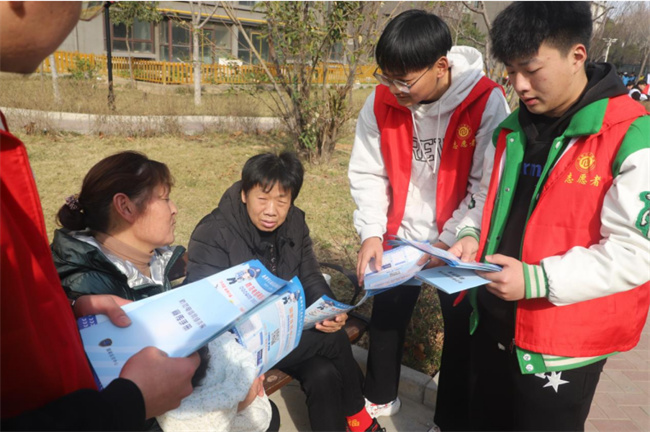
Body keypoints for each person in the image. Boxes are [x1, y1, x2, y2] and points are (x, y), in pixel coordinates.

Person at [449, 2, 649, 430]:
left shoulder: (631, 135)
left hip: (561, 348)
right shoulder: (513, 129)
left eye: (531, 69)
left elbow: (636, 253)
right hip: (492, 323)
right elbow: (486, 198)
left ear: (577, 55)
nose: (519, 85)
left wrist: (536, 280)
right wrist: (469, 234)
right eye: (510, 71)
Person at [0, 2, 200, 430]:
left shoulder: (160, 261)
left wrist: (69, 310)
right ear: (124, 207)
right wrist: (125, 405)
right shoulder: (91, 273)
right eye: (164, 198)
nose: (79, 12)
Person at [347, 9, 509, 430]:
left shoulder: (485, 101)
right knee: (387, 317)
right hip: (400, 235)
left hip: (457, 242)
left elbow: (486, 184)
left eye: (404, 80)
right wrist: (371, 232)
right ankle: (379, 398)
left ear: (441, 66)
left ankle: (449, 419)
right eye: (387, 77)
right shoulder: (381, 101)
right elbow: (368, 172)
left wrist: (449, 238)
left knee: (459, 331)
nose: (394, 89)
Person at [50, 151, 278, 432]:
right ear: (125, 207)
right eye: (165, 198)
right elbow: (132, 407)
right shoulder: (89, 287)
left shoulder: (152, 261)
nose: (175, 209)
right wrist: (233, 404)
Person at [186, 152, 383, 432]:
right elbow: (205, 306)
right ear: (244, 194)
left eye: (282, 201)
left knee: (322, 372)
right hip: (239, 345)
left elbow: (310, 274)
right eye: (263, 199)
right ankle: (359, 416)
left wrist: (328, 308)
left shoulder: (295, 222)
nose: (271, 211)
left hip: (284, 331)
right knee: (333, 340)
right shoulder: (214, 232)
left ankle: (352, 420)